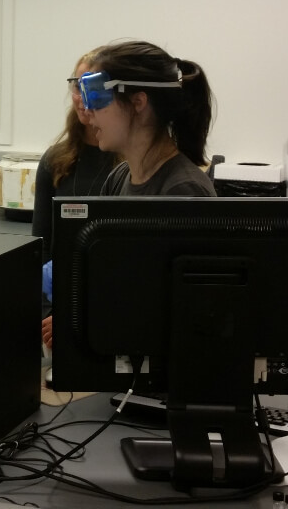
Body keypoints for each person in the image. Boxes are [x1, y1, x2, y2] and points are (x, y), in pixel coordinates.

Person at [42, 40, 216, 350]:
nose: (89, 111)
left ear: (138, 103)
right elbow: (109, 278)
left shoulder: (183, 191)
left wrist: (89, 319)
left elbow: (181, 310)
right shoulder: (119, 177)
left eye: (97, 97)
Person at [32, 49, 117, 263]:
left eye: (92, 87)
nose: (82, 98)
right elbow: (41, 242)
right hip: (63, 283)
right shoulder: (55, 160)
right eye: (78, 86)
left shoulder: (129, 163)